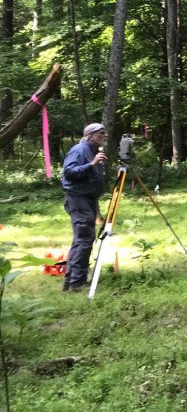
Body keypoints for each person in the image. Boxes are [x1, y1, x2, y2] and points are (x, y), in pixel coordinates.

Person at [61, 123, 108, 291]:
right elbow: (69, 172)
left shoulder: (93, 151)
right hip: (78, 198)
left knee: (81, 239)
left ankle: (71, 281)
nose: (105, 136)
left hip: (87, 198)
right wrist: (92, 164)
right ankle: (77, 282)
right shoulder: (80, 150)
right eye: (102, 133)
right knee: (84, 238)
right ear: (91, 135)